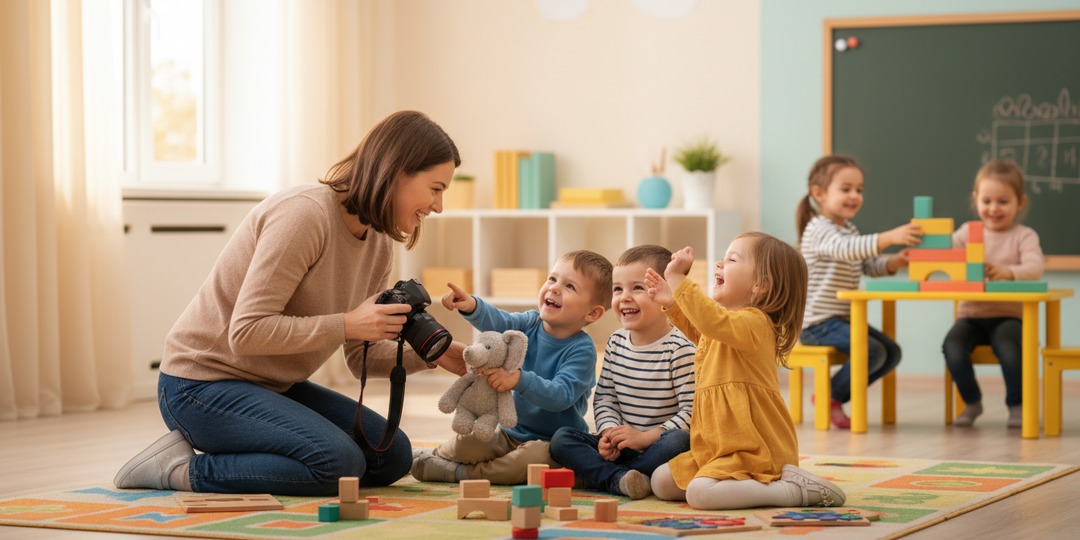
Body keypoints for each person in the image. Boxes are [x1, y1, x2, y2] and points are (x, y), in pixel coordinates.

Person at [113, 111, 468, 496]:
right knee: (338, 464)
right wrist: (348, 323)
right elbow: (245, 333)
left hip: (274, 387)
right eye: (435, 188)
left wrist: (435, 355)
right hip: (200, 384)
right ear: (397, 171)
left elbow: (358, 359)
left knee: (392, 455)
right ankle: (178, 469)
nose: (438, 206)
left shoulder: (378, 243)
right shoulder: (305, 214)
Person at [644, 234, 844, 510]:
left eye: (731, 259)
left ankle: (791, 491)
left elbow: (710, 321)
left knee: (700, 494)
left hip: (753, 448)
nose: (719, 263)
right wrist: (673, 303)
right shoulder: (725, 327)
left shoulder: (755, 323)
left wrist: (679, 280)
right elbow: (702, 331)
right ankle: (748, 489)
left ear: (761, 284)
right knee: (662, 482)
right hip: (718, 447)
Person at [411, 250, 613, 485]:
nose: (554, 288)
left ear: (592, 312)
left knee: (529, 462)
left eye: (570, 287)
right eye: (552, 278)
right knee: (470, 442)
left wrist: (520, 380)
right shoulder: (530, 321)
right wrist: (472, 306)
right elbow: (501, 322)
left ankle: (460, 474)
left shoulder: (582, 350)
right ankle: (433, 456)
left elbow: (561, 395)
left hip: (551, 443)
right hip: (508, 433)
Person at [549, 245, 696, 500]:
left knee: (680, 441)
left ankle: (610, 477)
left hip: (658, 446)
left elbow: (692, 413)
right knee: (561, 439)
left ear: (665, 292)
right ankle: (622, 478)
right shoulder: (616, 342)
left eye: (637, 288)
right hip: (621, 446)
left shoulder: (680, 348)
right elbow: (605, 397)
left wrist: (645, 438)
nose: (624, 297)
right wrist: (609, 433)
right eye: (618, 289)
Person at [795, 155, 923, 428]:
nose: (855, 195)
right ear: (819, 194)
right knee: (872, 351)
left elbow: (867, 264)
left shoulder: (849, 229)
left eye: (859, 189)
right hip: (817, 324)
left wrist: (894, 261)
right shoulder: (818, 229)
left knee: (892, 352)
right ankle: (832, 397)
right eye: (846, 189)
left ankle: (832, 396)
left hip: (841, 320)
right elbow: (846, 250)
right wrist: (889, 237)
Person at [943, 160, 1044, 428]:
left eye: (1003, 201)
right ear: (976, 200)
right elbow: (944, 254)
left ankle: (1017, 405)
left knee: (1010, 347)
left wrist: (1008, 272)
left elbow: (1035, 268)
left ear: (1019, 203)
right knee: (951, 346)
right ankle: (972, 402)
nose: (994, 208)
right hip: (971, 315)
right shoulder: (967, 233)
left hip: (1008, 315)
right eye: (987, 201)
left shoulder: (1024, 235)